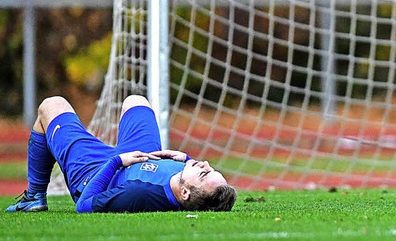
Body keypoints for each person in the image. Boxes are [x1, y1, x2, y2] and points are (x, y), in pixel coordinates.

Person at [6, 95, 237, 213]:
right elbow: (195, 185)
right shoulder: (185, 179)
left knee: (51, 105)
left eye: (204, 174)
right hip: (141, 156)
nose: (205, 163)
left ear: (185, 193)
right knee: (136, 101)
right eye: (211, 168)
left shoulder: (138, 193)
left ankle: (35, 197)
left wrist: (116, 161)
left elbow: (84, 205)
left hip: (96, 171)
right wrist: (185, 160)